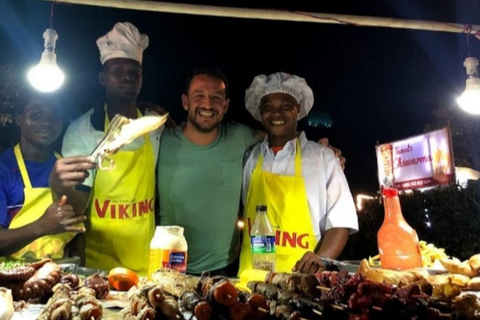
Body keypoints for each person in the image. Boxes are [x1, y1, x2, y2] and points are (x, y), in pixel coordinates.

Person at [62, 22, 165, 274]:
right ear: (102, 78)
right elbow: (75, 208)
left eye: (134, 70)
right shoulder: (82, 131)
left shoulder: (155, 127)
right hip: (100, 267)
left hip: (148, 264)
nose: (127, 75)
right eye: (117, 69)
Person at [238, 72, 359, 275]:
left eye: (285, 106)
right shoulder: (250, 158)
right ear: (259, 113)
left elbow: (340, 224)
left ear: (298, 110)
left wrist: (320, 258)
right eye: (268, 107)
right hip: (249, 284)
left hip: (302, 285)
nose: (276, 113)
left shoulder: (323, 159)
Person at [157, 68, 261, 275]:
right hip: (169, 266)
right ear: (185, 102)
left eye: (216, 98)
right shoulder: (161, 140)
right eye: (199, 96)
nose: (207, 104)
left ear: (226, 105)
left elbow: (280, 138)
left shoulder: (240, 136)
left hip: (225, 269)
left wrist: (321, 149)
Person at [0, 89, 96, 261]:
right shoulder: (4, 168)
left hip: (61, 276)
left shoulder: (67, 166)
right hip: (11, 280)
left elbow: (78, 227)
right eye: (36, 115)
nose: (46, 122)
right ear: (19, 118)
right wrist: (41, 226)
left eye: (55, 116)